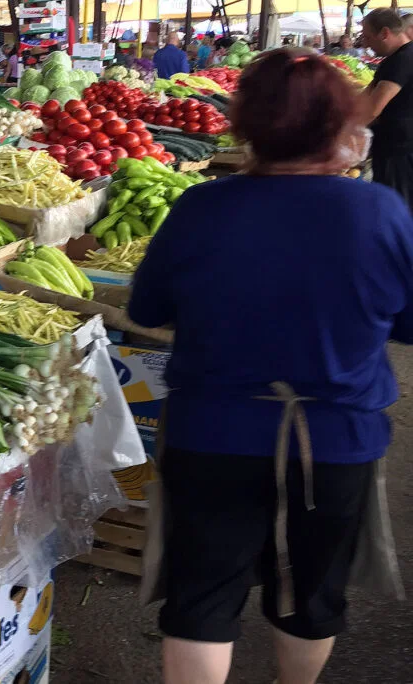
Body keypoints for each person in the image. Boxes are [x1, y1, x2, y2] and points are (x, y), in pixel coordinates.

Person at [129, 48, 406, 684]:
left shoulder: (202, 207)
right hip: (335, 440)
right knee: (311, 596)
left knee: (202, 599)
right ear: (342, 123)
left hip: (212, 435)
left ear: (246, 123)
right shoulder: (380, 211)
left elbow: (147, 309)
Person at [361, 9, 413, 210]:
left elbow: (373, 109)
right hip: (393, 148)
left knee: (396, 207)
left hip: (398, 152)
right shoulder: (394, 59)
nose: (365, 44)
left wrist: (339, 135)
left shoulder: (403, 60)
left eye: (367, 37)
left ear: (384, 33)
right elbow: (365, 96)